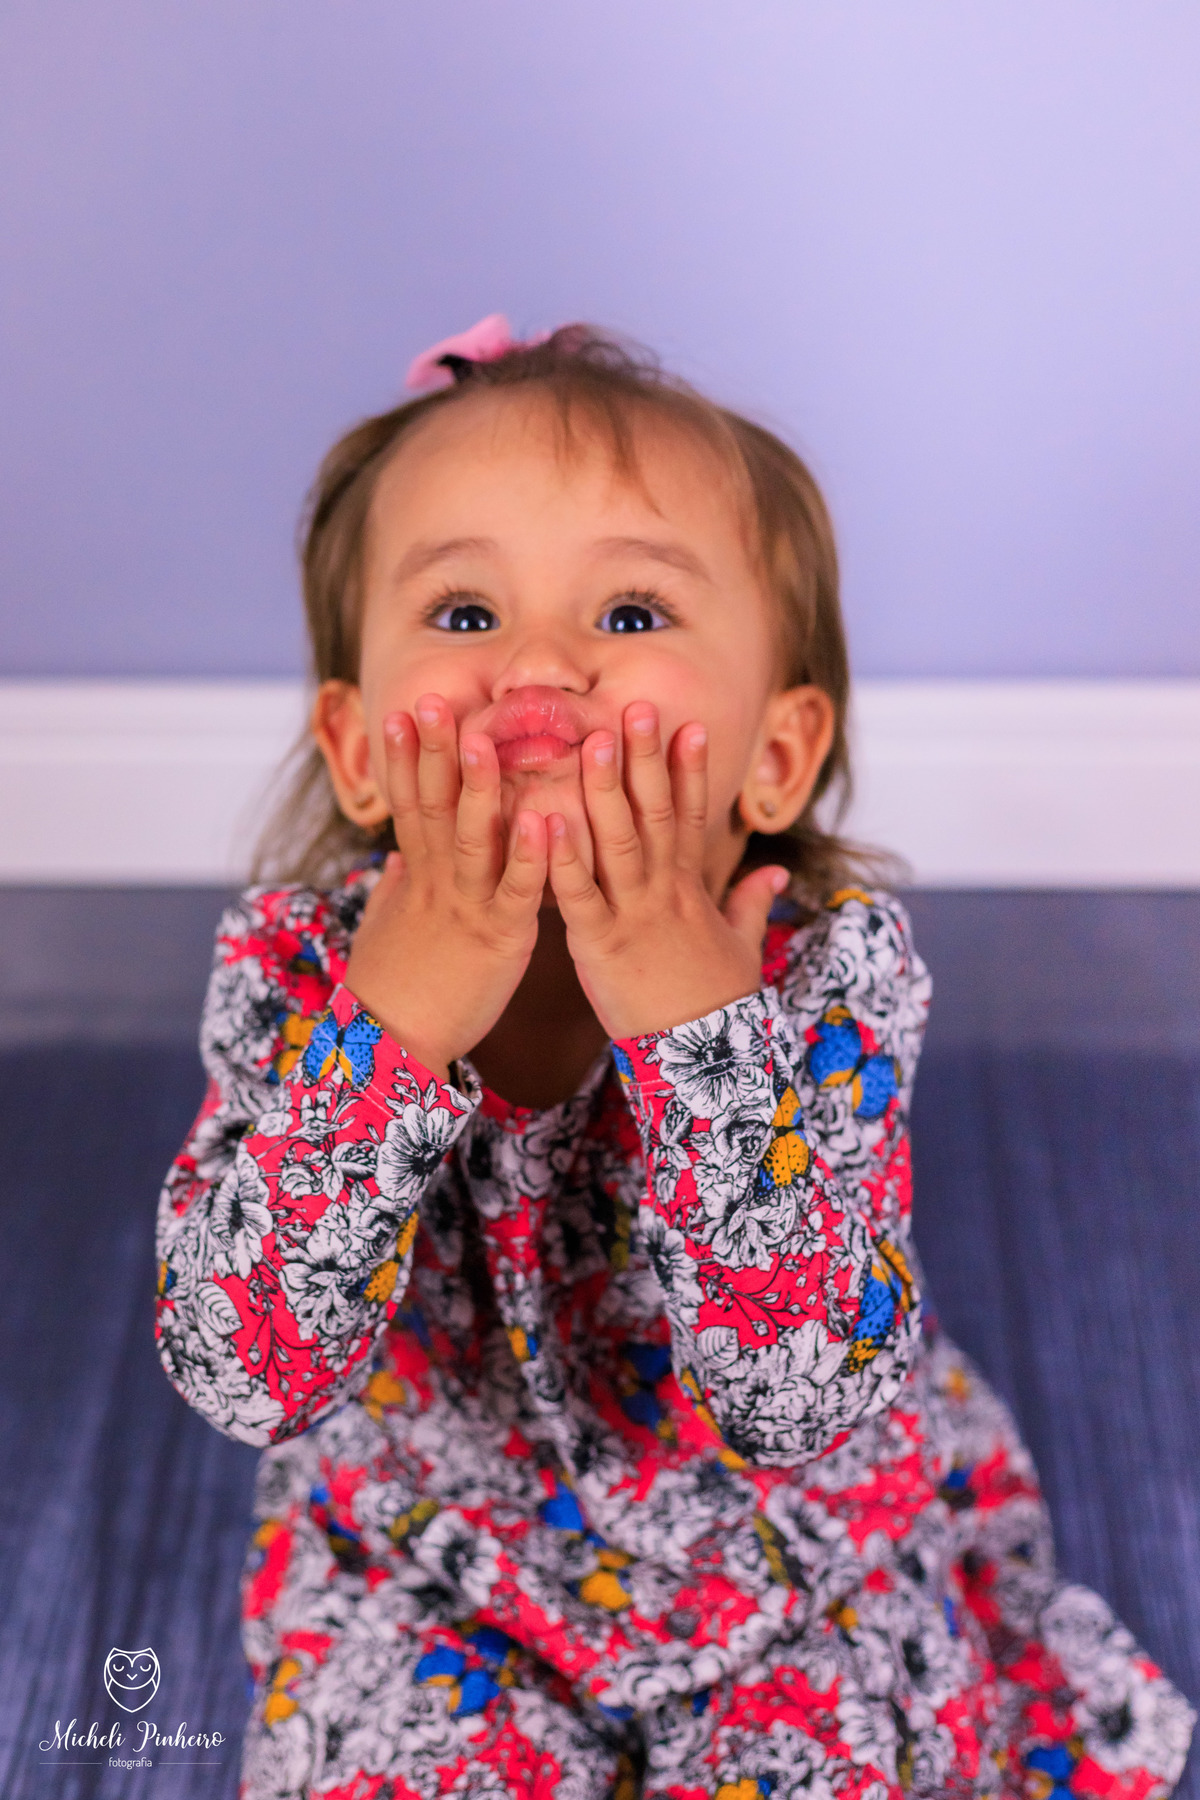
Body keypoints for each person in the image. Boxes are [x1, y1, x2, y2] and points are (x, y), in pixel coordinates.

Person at [155, 317, 1194, 1799]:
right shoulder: (295, 975)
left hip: (794, 1565)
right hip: (430, 1565)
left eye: (633, 612)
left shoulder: (828, 979)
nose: (540, 665)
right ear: (361, 746)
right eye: (464, 612)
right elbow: (242, 1371)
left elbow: (800, 1396)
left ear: (776, 754)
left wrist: (699, 1034)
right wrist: (391, 1033)